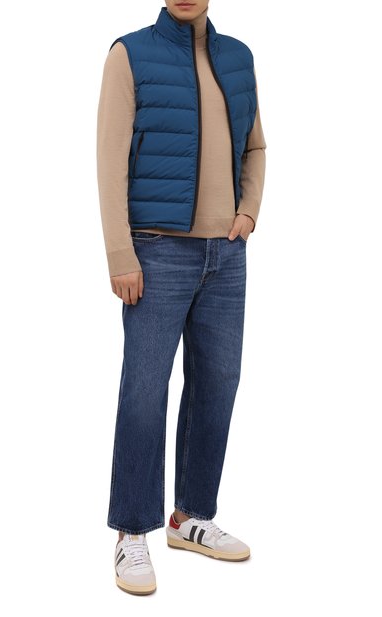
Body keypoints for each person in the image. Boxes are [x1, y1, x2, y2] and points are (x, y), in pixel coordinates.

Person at [96, 0, 266, 595]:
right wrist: (120, 253)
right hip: (156, 252)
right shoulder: (129, 54)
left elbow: (256, 147)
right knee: (144, 390)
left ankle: (190, 517)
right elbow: (110, 159)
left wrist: (248, 211)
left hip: (226, 255)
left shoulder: (238, 57)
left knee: (218, 382)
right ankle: (132, 531)